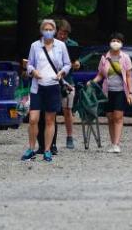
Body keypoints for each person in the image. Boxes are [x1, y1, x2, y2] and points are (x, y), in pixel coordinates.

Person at [22, 19, 70, 162]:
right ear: (41, 30)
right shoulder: (35, 46)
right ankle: (31, 148)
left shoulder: (60, 46)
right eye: (45, 29)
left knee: (50, 120)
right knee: (33, 119)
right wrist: (33, 71)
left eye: (51, 29)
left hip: (53, 85)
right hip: (37, 86)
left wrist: (62, 72)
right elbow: (29, 64)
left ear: (55, 31)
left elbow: (67, 64)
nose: (48, 32)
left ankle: (47, 150)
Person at [89, 33, 132, 153]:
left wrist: (130, 93)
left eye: (118, 41)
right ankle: (113, 142)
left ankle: (116, 144)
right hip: (107, 92)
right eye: (113, 40)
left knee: (118, 117)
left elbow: (129, 76)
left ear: (122, 43)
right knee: (110, 117)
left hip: (120, 91)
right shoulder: (104, 57)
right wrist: (92, 82)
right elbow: (100, 75)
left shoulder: (125, 57)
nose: (115, 43)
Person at [54, 19, 80, 150]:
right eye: (60, 33)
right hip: (52, 81)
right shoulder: (50, 44)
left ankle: (70, 137)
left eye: (65, 34)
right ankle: (51, 137)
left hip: (68, 82)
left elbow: (77, 62)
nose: (63, 36)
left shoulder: (73, 44)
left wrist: (76, 64)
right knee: (50, 110)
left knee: (68, 110)